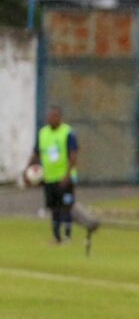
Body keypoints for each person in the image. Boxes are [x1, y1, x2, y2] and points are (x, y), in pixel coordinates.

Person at [25, 105, 78, 244]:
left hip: (65, 178)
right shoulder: (43, 133)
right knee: (54, 208)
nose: (50, 119)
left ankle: (67, 236)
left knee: (66, 207)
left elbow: (73, 156)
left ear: (59, 117)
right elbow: (36, 154)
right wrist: (27, 171)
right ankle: (56, 237)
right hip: (49, 178)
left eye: (53, 116)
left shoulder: (67, 133)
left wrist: (67, 175)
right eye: (49, 116)